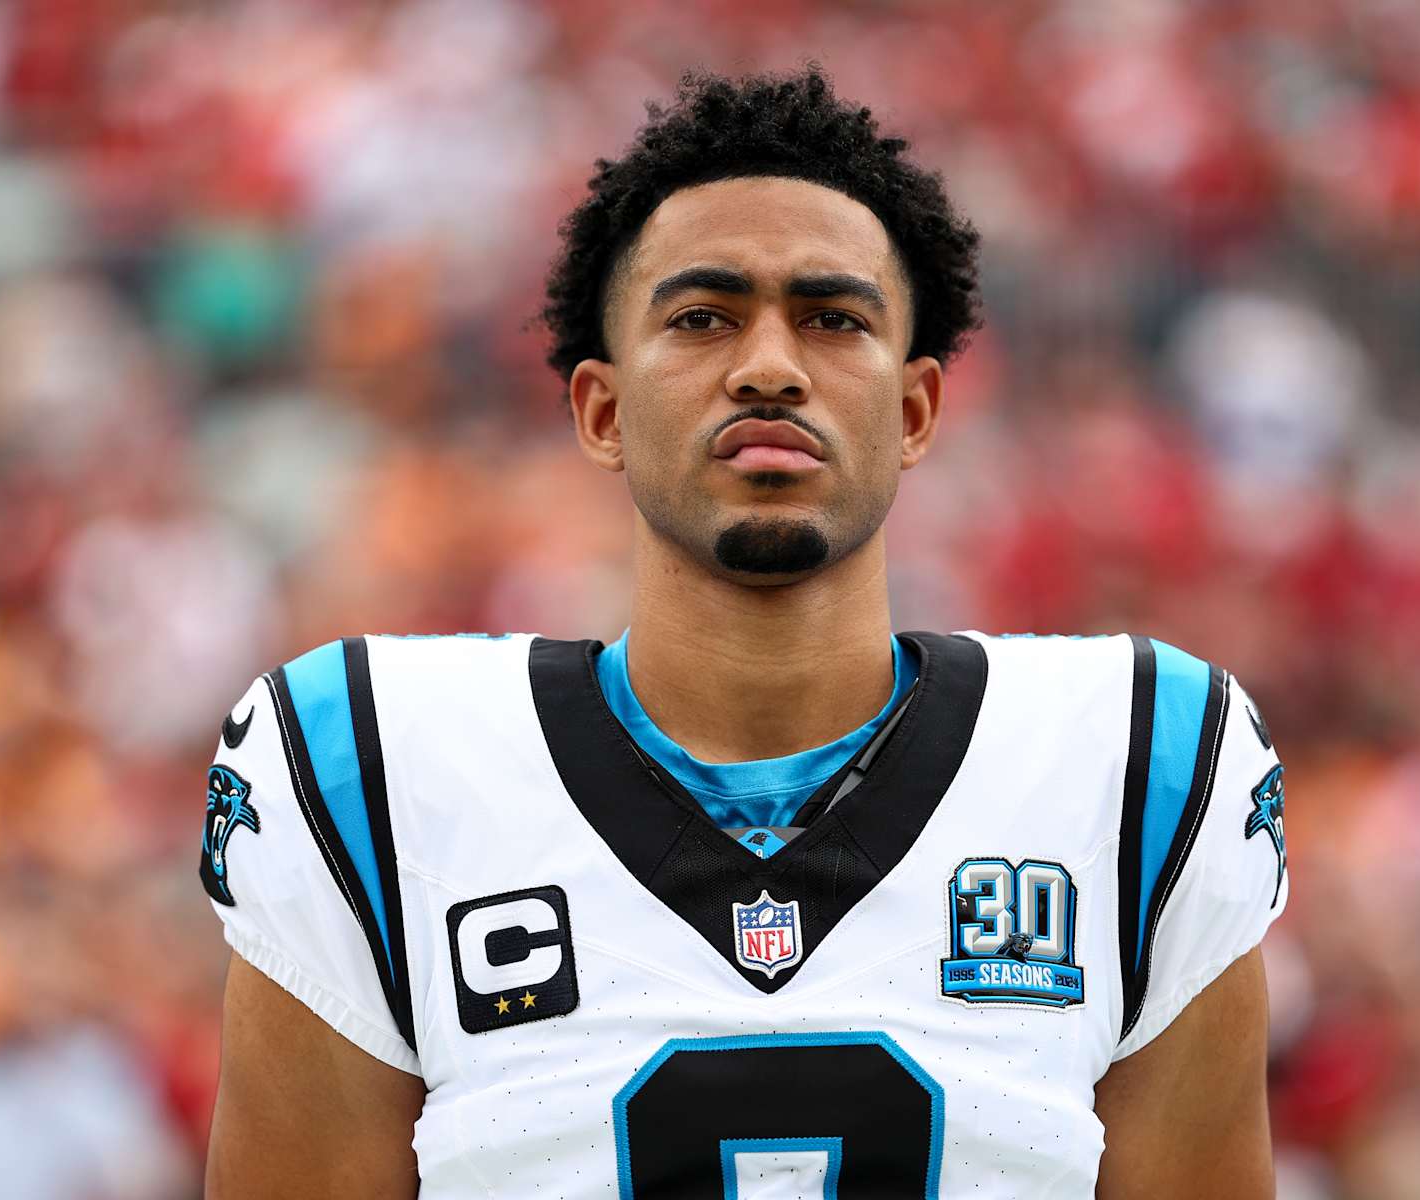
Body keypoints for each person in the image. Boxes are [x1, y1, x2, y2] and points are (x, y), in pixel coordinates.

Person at [201, 66, 1287, 1198]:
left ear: (915, 412)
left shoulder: (1144, 762)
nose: (770, 367)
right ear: (601, 411)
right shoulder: (365, 764)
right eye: (703, 317)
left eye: (832, 319)